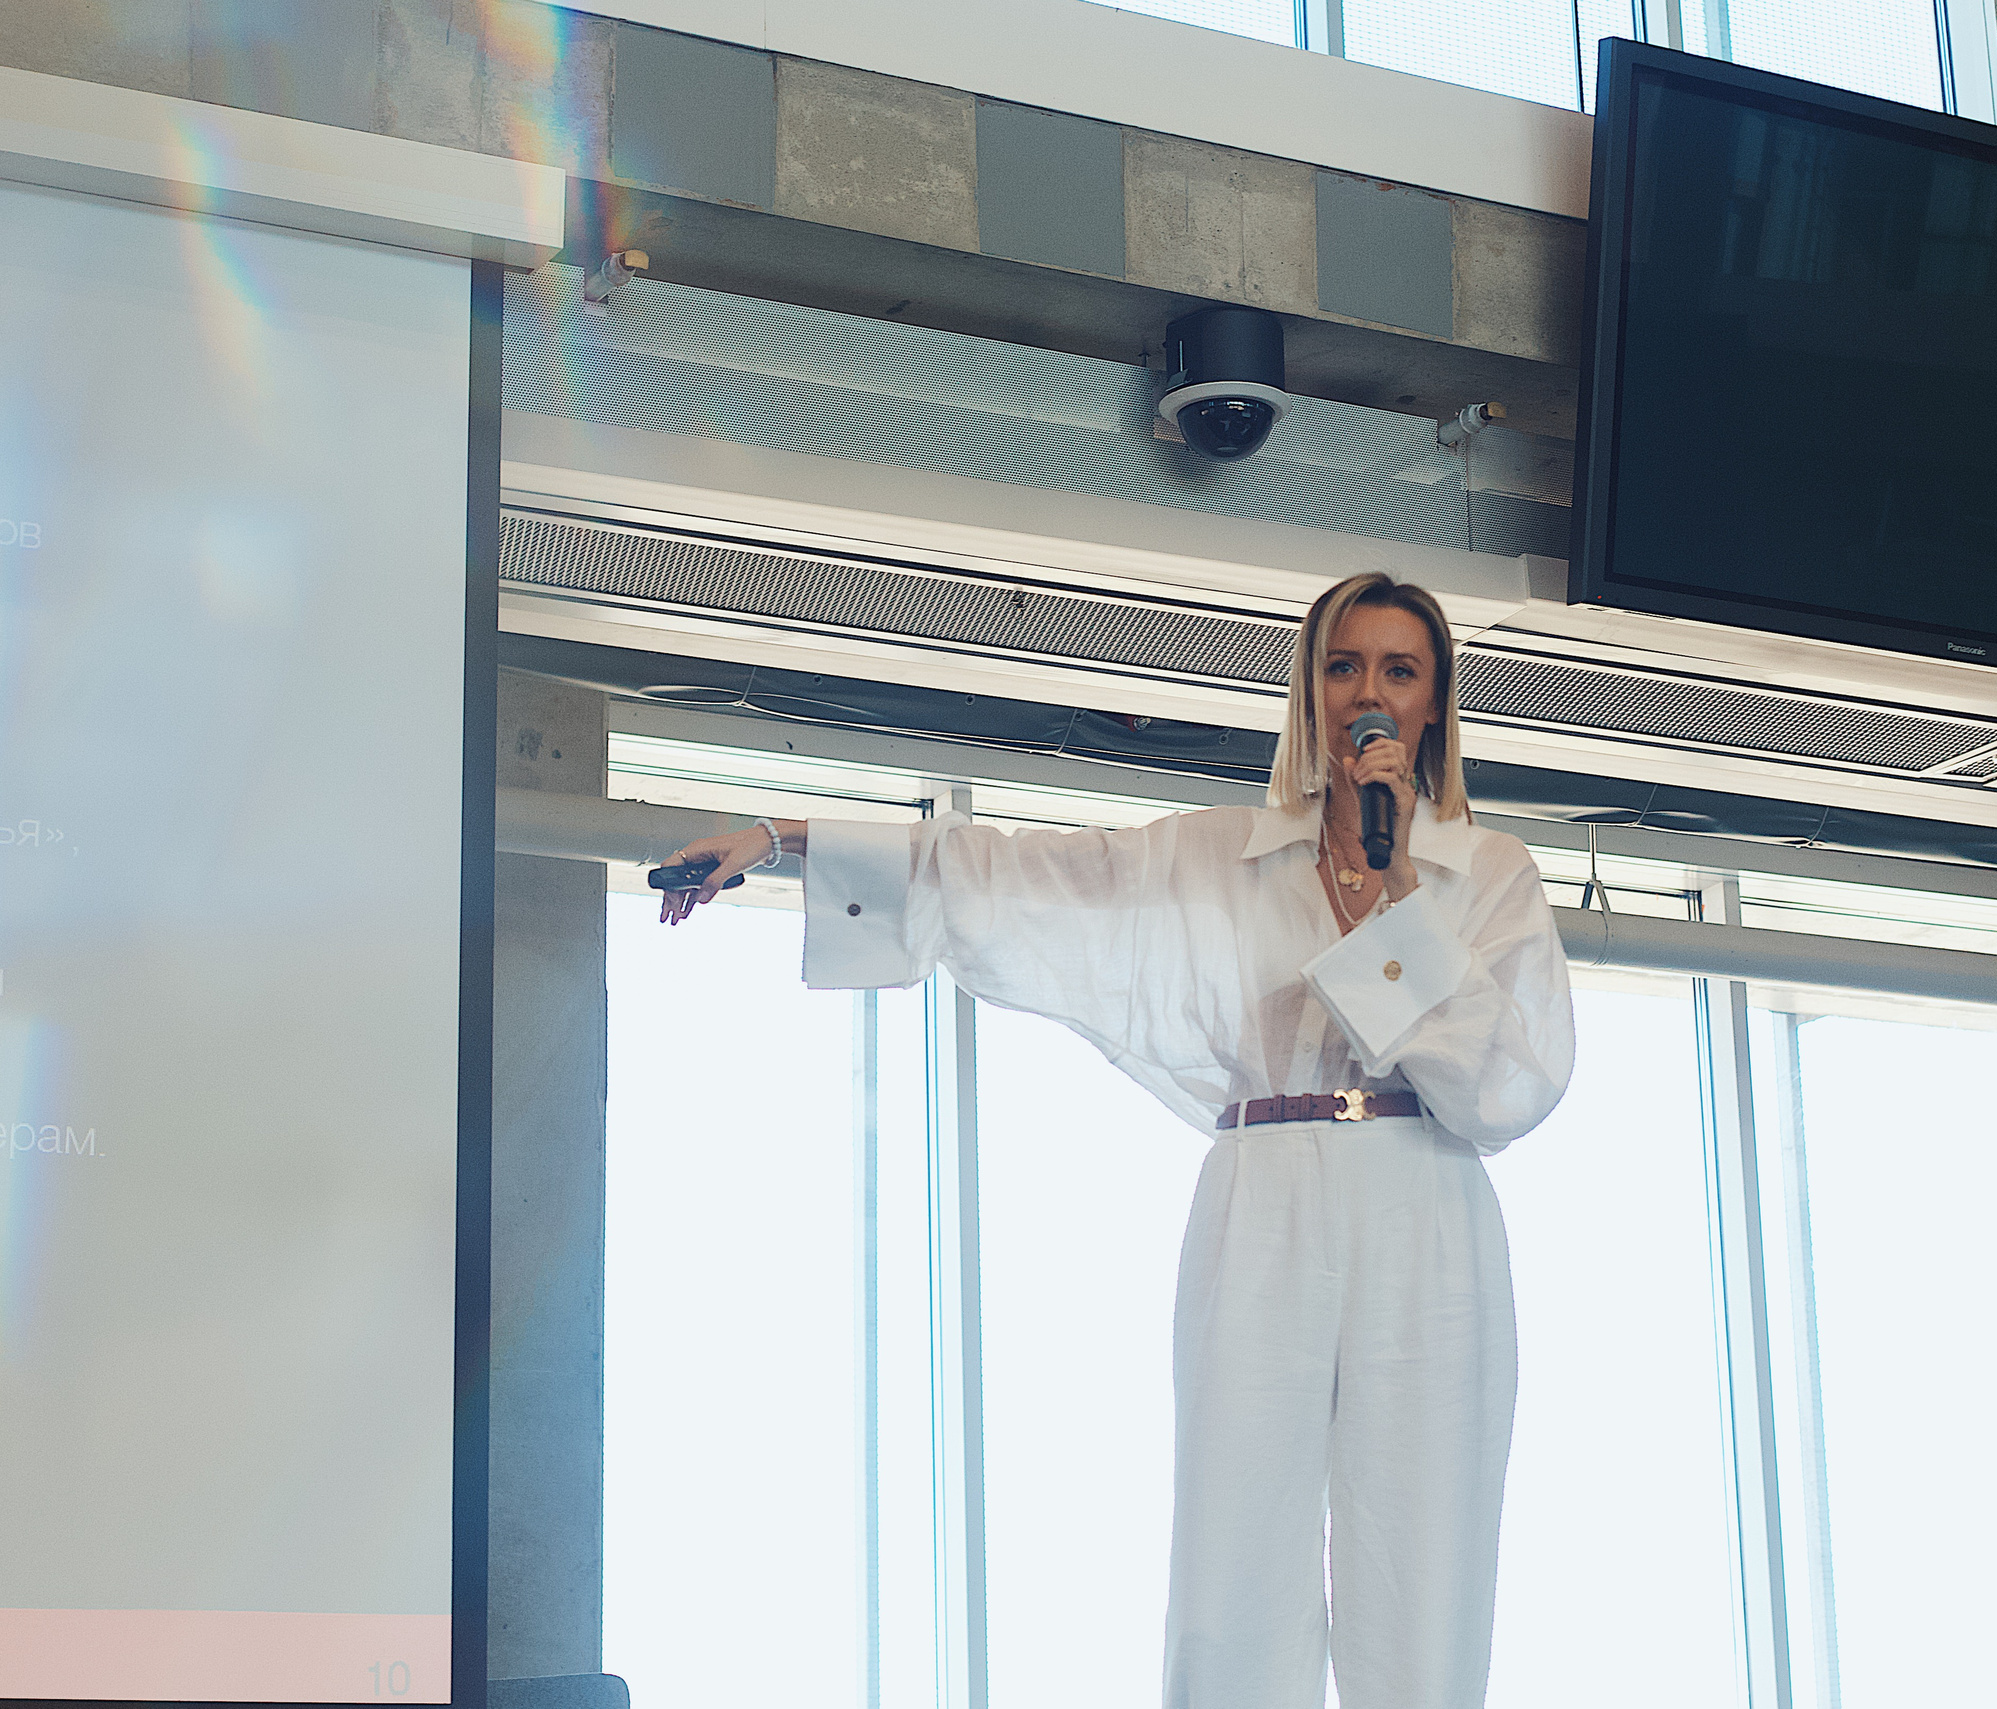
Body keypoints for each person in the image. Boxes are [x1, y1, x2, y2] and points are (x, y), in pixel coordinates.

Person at [659, 571, 1577, 1709]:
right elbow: (1022, 874)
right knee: (1231, 1562)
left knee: (1426, 1567)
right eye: (1343, 666)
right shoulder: (1218, 853)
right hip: (1263, 1190)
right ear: (1308, 690)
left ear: (1433, 704)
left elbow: (1508, 1087)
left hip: (1426, 1202)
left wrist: (1397, 892)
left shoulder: (1486, 874)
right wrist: (782, 835)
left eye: (1399, 670)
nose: (1367, 695)